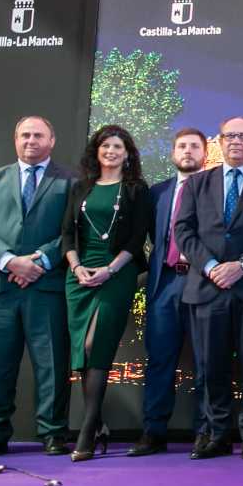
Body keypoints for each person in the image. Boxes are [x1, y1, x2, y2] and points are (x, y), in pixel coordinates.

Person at [0, 115, 76, 457]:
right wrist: (11, 262)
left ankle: (53, 433)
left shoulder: (71, 182)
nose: (31, 141)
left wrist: (39, 261)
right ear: (15, 139)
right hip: (1, 287)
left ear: (52, 140)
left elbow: (73, 231)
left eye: (38, 135)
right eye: (25, 135)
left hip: (46, 286)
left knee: (52, 365)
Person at [173, 115, 243, 460]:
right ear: (219, 141)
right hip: (207, 286)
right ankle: (216, 433)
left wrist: (242, 265)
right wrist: (214, 267)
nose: (236, 142)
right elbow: (183, 232)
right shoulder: (197, 184)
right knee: (209, 366)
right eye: (230, 136)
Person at [61, 125, 152, 461]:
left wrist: (109, 270)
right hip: (79, 277)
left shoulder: (135, 190)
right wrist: (76, 267)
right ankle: (97, 423)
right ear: (96, 151)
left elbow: (137, 238)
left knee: (93, 345)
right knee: (82, 354)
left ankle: (86, 430)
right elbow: (67, 234)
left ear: (127, 154)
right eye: (105, 145)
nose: (111, 151)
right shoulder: (81, 188)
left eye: (118, 146)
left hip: (117, 274)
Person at [129, 128, 209, 457]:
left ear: (204, 153)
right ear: (173, 153)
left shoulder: (213, 188)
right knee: (160, 359)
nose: (187, 151)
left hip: (202, 282)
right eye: (182, 146)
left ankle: (206, 431)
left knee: (206, 360)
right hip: (164, 283)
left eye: (194, 146)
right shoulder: (158, 193)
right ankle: (153, 431)